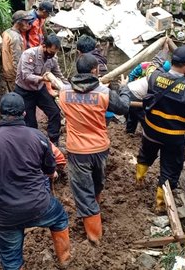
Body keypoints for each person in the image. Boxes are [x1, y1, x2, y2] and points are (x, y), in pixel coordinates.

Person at [0, 92, 71, 270]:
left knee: (11, 260)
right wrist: (50, 174)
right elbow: (49, 167)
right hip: (39, 205)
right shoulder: (38, 137)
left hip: (5, 213)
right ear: (24, 114)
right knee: (60, 218)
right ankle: (65, 259)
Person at [57, 54, 130, 245]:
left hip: (78, 151)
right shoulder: (104, 93)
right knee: (97, 183)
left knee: (83, 191)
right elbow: (123, 108)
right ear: (95, 70)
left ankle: (94, 235)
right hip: (100, 148)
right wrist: (124, 89)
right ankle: (94, 222)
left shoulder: (63, 93)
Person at [130, 46, 185, 213]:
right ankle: (160, 204)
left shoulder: (154, 77)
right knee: (169, 170)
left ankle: (139, 179)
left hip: (150, 132)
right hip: (174, 138)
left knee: (145, 155)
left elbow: (135, 91)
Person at [14, 34, 68, 145]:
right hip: (25, 90)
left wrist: (69, 87)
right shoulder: (29, 55)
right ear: (43, 46)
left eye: (55, 52)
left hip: (39, 89)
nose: (52, 55)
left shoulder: (52, 58)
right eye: (51, 51)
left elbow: (59, 75)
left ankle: (53, 141)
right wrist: (42, 78)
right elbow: (26, 76)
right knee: (30, 121)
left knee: (55, 112)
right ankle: (33, 144)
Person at [125, 41, 171, 134]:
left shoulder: (153, 73)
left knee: (133, 114)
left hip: (130, 90)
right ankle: (149, 134)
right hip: (134, 93)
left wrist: (165, 50)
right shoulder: (157, 80)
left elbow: (156, 61)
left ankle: (130, 132)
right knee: (144, 117)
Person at [2, 10, 33, 91]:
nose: (27, 24)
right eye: (26, 22)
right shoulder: (16, 38)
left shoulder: (7, 32)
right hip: (13, 74)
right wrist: (20, 77)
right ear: (19, 22)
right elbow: (16, 60)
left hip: (7, 71)